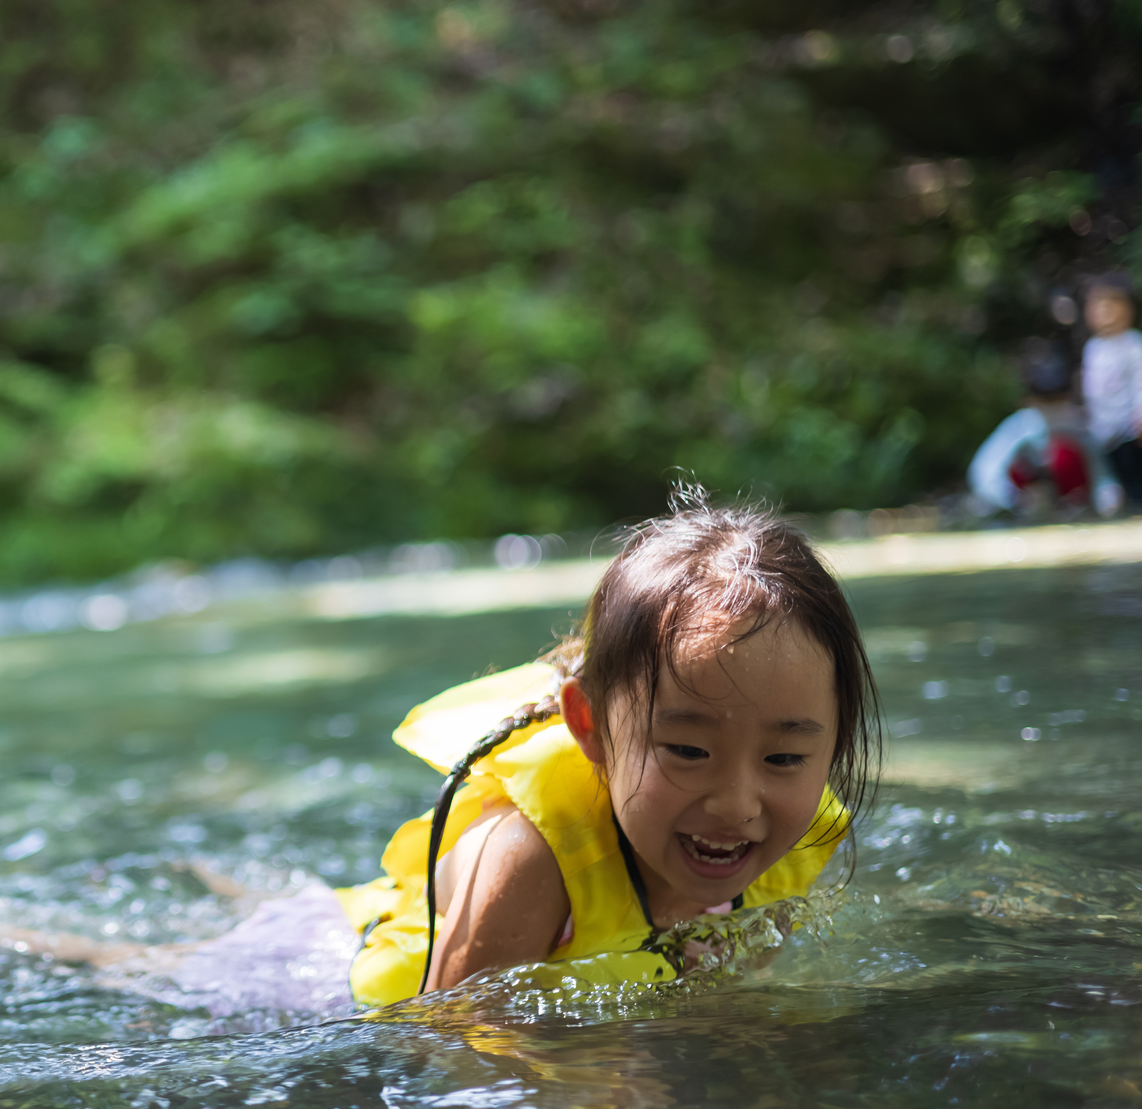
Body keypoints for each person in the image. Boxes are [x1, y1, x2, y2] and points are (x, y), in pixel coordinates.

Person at [335, 493, 879, 1005]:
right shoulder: (526, 856)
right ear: (590, 725)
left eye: (783, 759)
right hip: (327, 970)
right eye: (688, 750)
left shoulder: (803, 833)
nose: (737, 806)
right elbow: (458, 1058)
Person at [967, 349, 1121, 518]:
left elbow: (1101, 474)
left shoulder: (1078, 425)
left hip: (1074, 502)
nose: (1052, 408)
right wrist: (1014, 500)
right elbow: (985, 471)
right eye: (1046, 400)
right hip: (1024, 501)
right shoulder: (1022, 424)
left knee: (1064, 455)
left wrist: (1107, 503)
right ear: (1030, 401)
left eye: (1057, 399)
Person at [1081, 272, 1142, 507]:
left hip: (1128, 427)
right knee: (1114, 472)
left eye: (1109, 308)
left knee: (1133, 470)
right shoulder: (1093, 347)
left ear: (1125, 310)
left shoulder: (1133, 344)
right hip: (1103, 429)